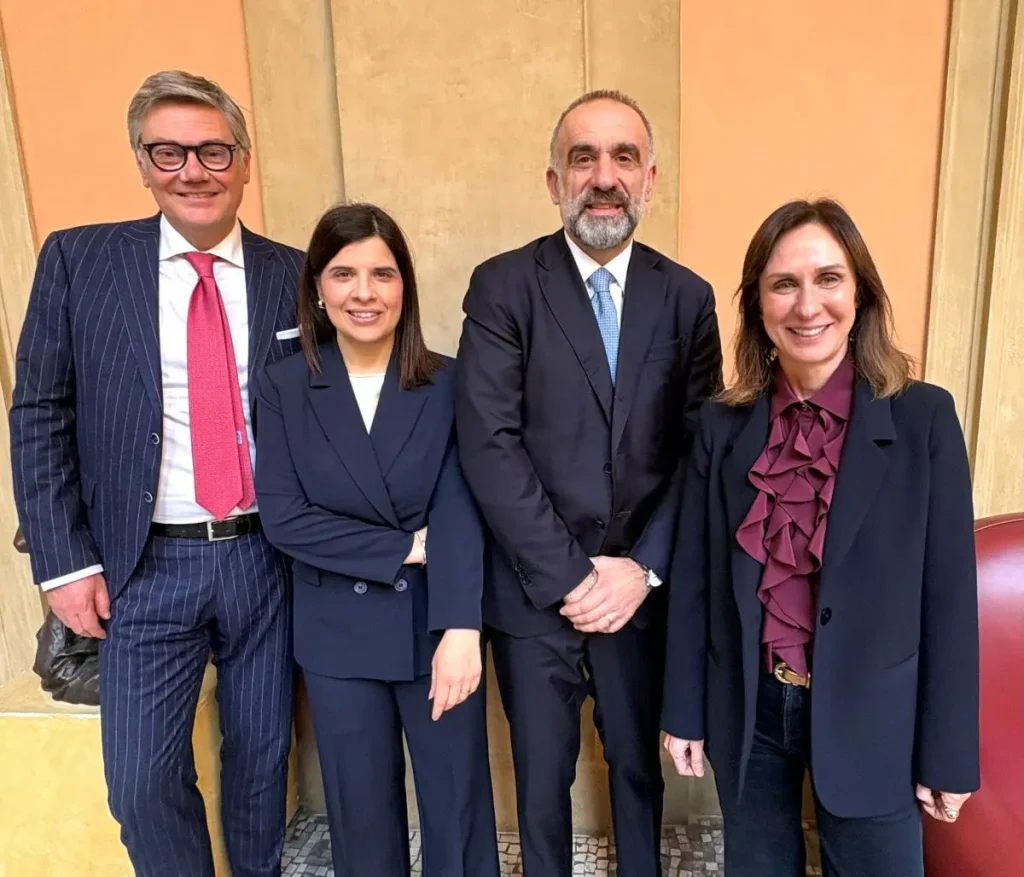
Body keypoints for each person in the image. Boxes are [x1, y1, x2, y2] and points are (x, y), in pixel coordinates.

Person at [9, 70, 302, 877]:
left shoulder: (296, 273)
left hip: (266, 557)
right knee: (140, 780)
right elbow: (39, 412)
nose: (192, 170)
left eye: (213, 150)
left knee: (261, 759)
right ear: (142, 163)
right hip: (142, 565)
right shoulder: (80, 260)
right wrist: (64, 563)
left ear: (244, 161)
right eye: (168, 152)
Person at [661, 198, 980, 877]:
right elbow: (695, 581)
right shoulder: (722, 425)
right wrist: (684, 709)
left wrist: (948, 753)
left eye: (828, 278)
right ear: (758, 305)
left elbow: (950, 598)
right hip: (752, 712)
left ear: (860, 293)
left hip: (876, 719)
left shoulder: (925, 419)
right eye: (784, 284)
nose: (808, 306)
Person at [455, 90, 723, 876]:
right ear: (554, 181)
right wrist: (574, 578)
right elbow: (490, 442)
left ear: (650, 180)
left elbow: (699, 451)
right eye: (584, 158)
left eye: (624, 157)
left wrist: (641, 570)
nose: (604, 177)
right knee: (541, 785)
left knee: (639, 774)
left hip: (640, 594)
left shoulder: (688, 298)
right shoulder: (503, 286)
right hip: (536, 594)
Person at [254, 203, 500, 877]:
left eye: (382, 274)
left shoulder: (449, 381)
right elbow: (284, 516)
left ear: (404, 287)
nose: (364, 292)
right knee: (361, 821)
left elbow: (461, 507)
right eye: (344, 274)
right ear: (317, 288)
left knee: (457, 809)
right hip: (337, 636)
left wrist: (461, 628)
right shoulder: (284, 385)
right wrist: (402, 548)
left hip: (435, 626)